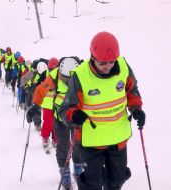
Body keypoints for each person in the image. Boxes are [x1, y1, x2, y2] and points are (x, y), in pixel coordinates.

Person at [59, 31, 146, 190]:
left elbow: (132, 91)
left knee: (116, 181)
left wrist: (136, 109)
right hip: (91, 142)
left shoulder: (124, 67)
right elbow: (64, 109)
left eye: (111, 62)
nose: (108, 67)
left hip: (117, 138)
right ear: (92, 57)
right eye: (102, 63)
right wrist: (74, 115)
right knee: (93, 184)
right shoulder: (80, 76)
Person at [27, 57, 83, 190]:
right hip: (60, 117)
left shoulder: (80, 75)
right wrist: (34, 106)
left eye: (70, 79)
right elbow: (41, 90)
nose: (67, 81)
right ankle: (64, 171)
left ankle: (78, 167)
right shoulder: (54, 77)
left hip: (77, 116)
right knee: (63, 145)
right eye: (64, 78)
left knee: (79, 144)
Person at [27, 57, 59, 149]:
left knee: (57, 123)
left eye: (54, 69)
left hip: (58, 104)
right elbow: (38, 87)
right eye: (51, 69)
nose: (52, 71)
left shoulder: (61, 75)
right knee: (48, 122)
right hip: (47, 103)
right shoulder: (45, 74)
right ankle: (45, 138)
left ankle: (55, 139)